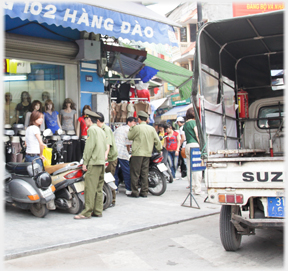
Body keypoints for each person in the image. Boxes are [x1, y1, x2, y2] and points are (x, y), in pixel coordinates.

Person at [74, 109, 107, 219]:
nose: (85, 121)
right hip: (101, 162)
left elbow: (89, 148)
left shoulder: (91, 130)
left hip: (93, 162)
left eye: (85, 119)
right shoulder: (101, 130)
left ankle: (87, 212)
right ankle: (98, 211)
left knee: (89, 188)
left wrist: (85, 162)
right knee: (98, 188)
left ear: (89, 119)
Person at [128, 111, 162, 198]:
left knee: (135, 173)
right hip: (147, 154)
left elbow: (130, 137)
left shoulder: (137, 128)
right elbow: (157, 141)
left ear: (139, 119)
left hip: (137, 154)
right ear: (146, 119)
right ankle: (144, 192)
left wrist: (131, 128)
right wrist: (159, 149)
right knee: (144, 173)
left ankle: (135, 192)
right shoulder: (151, 129)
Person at [96, 112, 118, 207]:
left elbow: (107, 145)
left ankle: (112, 200)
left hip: (110, 158)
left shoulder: (106, 129)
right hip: (105, 158)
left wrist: (105, 156)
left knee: (109, 178)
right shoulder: (100, 129)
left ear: (97, 120)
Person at [113, 117, 137, 195]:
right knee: (126, 171)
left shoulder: (119, 128)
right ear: (129, 122)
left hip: (114, 151)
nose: (135, 124)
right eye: (133, 122)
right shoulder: (128, 130)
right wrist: (129, 151)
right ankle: (128, 188)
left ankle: (115, 188)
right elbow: (128, 144)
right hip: (122, 152)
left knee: (115, 171)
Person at [183, 107, 203, 194]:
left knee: (189, 168)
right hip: (195, 146)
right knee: (197, 168)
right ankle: (198, 189)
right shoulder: (193, 122)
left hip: (187, 146)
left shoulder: (185, 124)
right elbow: (197, 135)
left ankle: (192, 187)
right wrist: (202, 145)